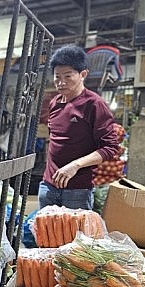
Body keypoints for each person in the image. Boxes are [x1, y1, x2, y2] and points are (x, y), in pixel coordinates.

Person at [40, 45, 121, 210]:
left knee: (76, 235)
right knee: (45, 234)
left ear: (83, 74)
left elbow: (110, 148)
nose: (61, 82)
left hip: (78, 190)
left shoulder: (94, 104)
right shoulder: (55, 103)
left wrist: (75, 165)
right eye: (57, 77)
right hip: (48, 186)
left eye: (68, 76)